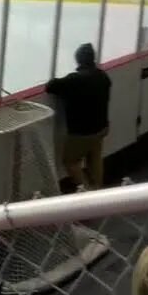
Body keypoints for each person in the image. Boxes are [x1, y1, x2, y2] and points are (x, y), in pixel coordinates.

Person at [45, 43, 112, 191]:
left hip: (82, 133)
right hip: (101, 128)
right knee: (94, 157)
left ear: (79, 60)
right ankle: (98, 188)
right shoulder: (102, 76)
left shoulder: (74, 80)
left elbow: (51, 86)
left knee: (70, 160)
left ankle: (86, 192)